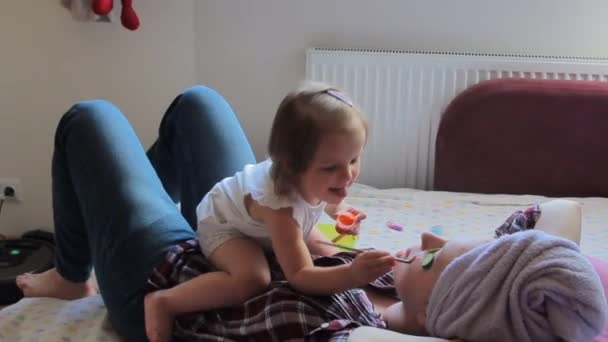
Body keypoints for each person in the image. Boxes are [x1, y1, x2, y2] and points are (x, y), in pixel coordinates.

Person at [16, 83, 394, 342]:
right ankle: (136, 211)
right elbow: (304, 221)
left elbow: (301, 272)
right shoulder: (398, 277)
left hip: (160, 281)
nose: (427, 240)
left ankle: (75, 273)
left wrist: (350, 272)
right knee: (200, 101)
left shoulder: (381, 322)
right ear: (291, 166)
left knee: (89, 117)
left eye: (436, 258)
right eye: (332, 167)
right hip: (232, 224)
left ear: (432, 314)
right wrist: (340, 234)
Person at [369, 199, 608, 342]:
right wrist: (505, 251)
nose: (426, 237)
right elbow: (563, 207)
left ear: (434, 312)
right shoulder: (539, 281)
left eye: (432, 255)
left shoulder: (359, 323)